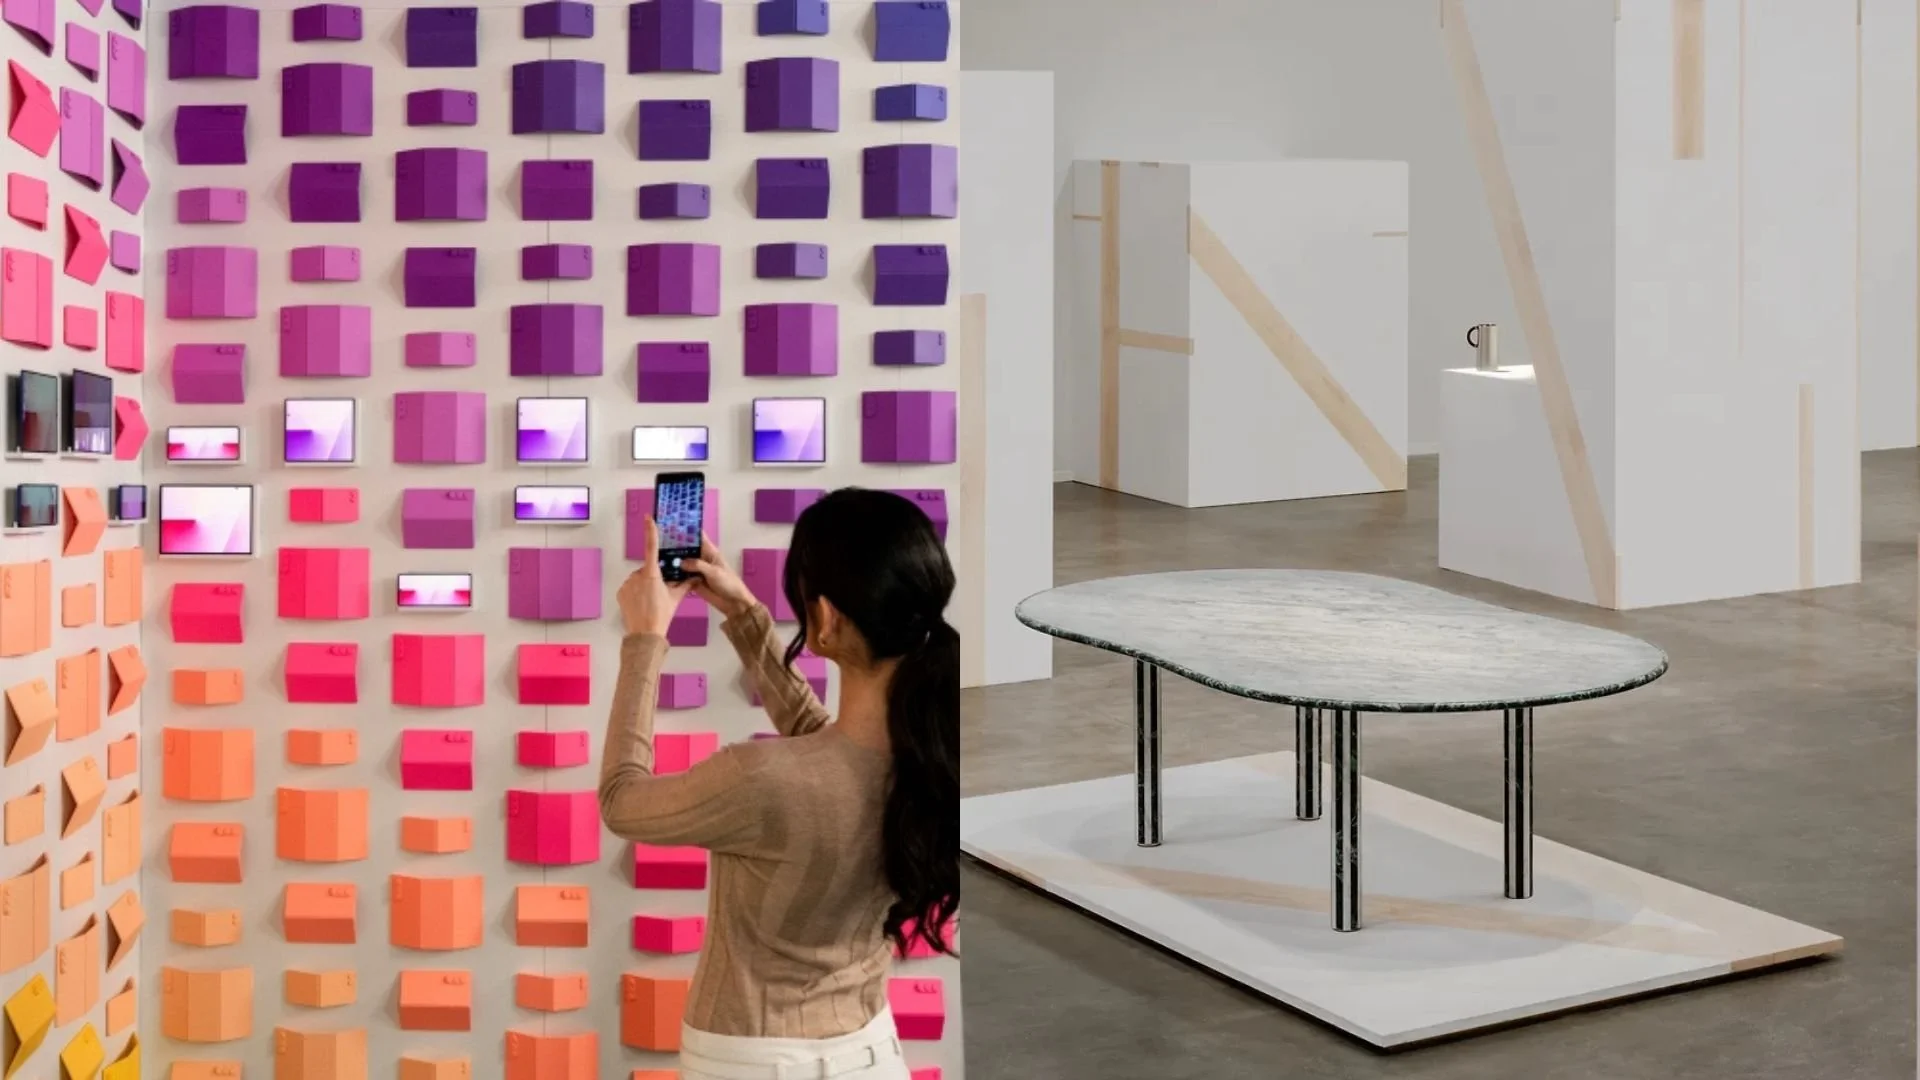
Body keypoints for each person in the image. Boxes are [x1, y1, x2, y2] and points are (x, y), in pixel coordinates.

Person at [599, 487, 959, 1080]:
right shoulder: (935, 758)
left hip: (752, 1060)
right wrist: (745, 617)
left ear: (824, 618)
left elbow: (621, 801)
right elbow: (829, 752)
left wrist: (645, 640)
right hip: (870, 1054)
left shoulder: (762, 780)